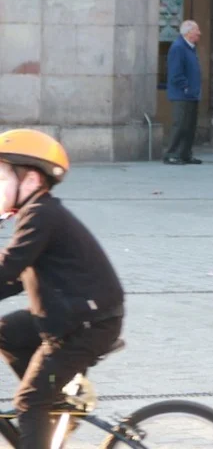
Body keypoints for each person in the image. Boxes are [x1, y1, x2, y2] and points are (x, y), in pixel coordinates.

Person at [0, 130, 125, 449]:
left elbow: (7, 267)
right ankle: (57, 398)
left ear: (30, 179)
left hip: (86, 326)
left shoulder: (40, 214)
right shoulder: (38, 213)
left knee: (30, 402)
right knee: (5, 331)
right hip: (71, 316)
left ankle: (47, 401)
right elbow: (15, 277)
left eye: (2, 177)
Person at [164, 20, 203, 166]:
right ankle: (172, 154)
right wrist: (186, 86)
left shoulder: (190, 48)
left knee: (190, 126)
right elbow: (175, 73)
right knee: (180, 125)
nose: (199, 33)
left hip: (191, 94)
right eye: (196, 30)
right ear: (188, 32)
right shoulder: (178, 47)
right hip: (181, 94)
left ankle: (185, 153)